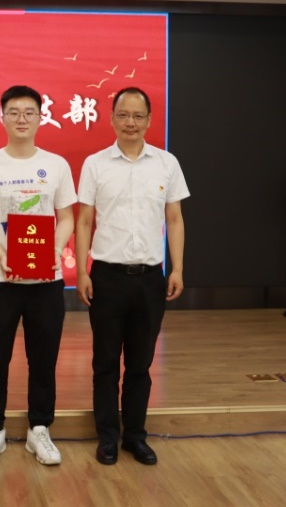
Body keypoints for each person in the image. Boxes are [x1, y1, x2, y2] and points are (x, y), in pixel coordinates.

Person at [0, 84, 76, 466]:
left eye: (29, 112)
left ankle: (38, 428)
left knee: (43, 358)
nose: (22, 118)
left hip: (46, 282)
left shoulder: (57, 165)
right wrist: (2, 253)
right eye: (14, 112)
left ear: (41, 117)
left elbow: (66, 217)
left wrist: (53, 251)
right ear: (2, 117)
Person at [74, 86, 189, 467]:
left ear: (149, 120)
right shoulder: (95, 164)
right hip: (106, 277)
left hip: (150, 280)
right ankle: (108, 437)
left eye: (138, 116)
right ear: (111, 119)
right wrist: (81, 271)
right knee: (105, 363)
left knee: (140, 364)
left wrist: (177, 268)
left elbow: (175, 219)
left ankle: (135, 437)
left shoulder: (166, 163)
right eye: (123, 115)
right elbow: (85, 220)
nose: (131, 123)